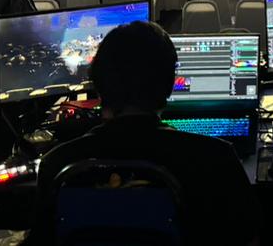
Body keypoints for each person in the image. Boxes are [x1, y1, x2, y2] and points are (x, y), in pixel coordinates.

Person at [29, 21, 259, 246]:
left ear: (99, 85)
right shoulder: (216, 157)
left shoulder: (57, 164)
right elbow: (245, 236)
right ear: (169, 85)